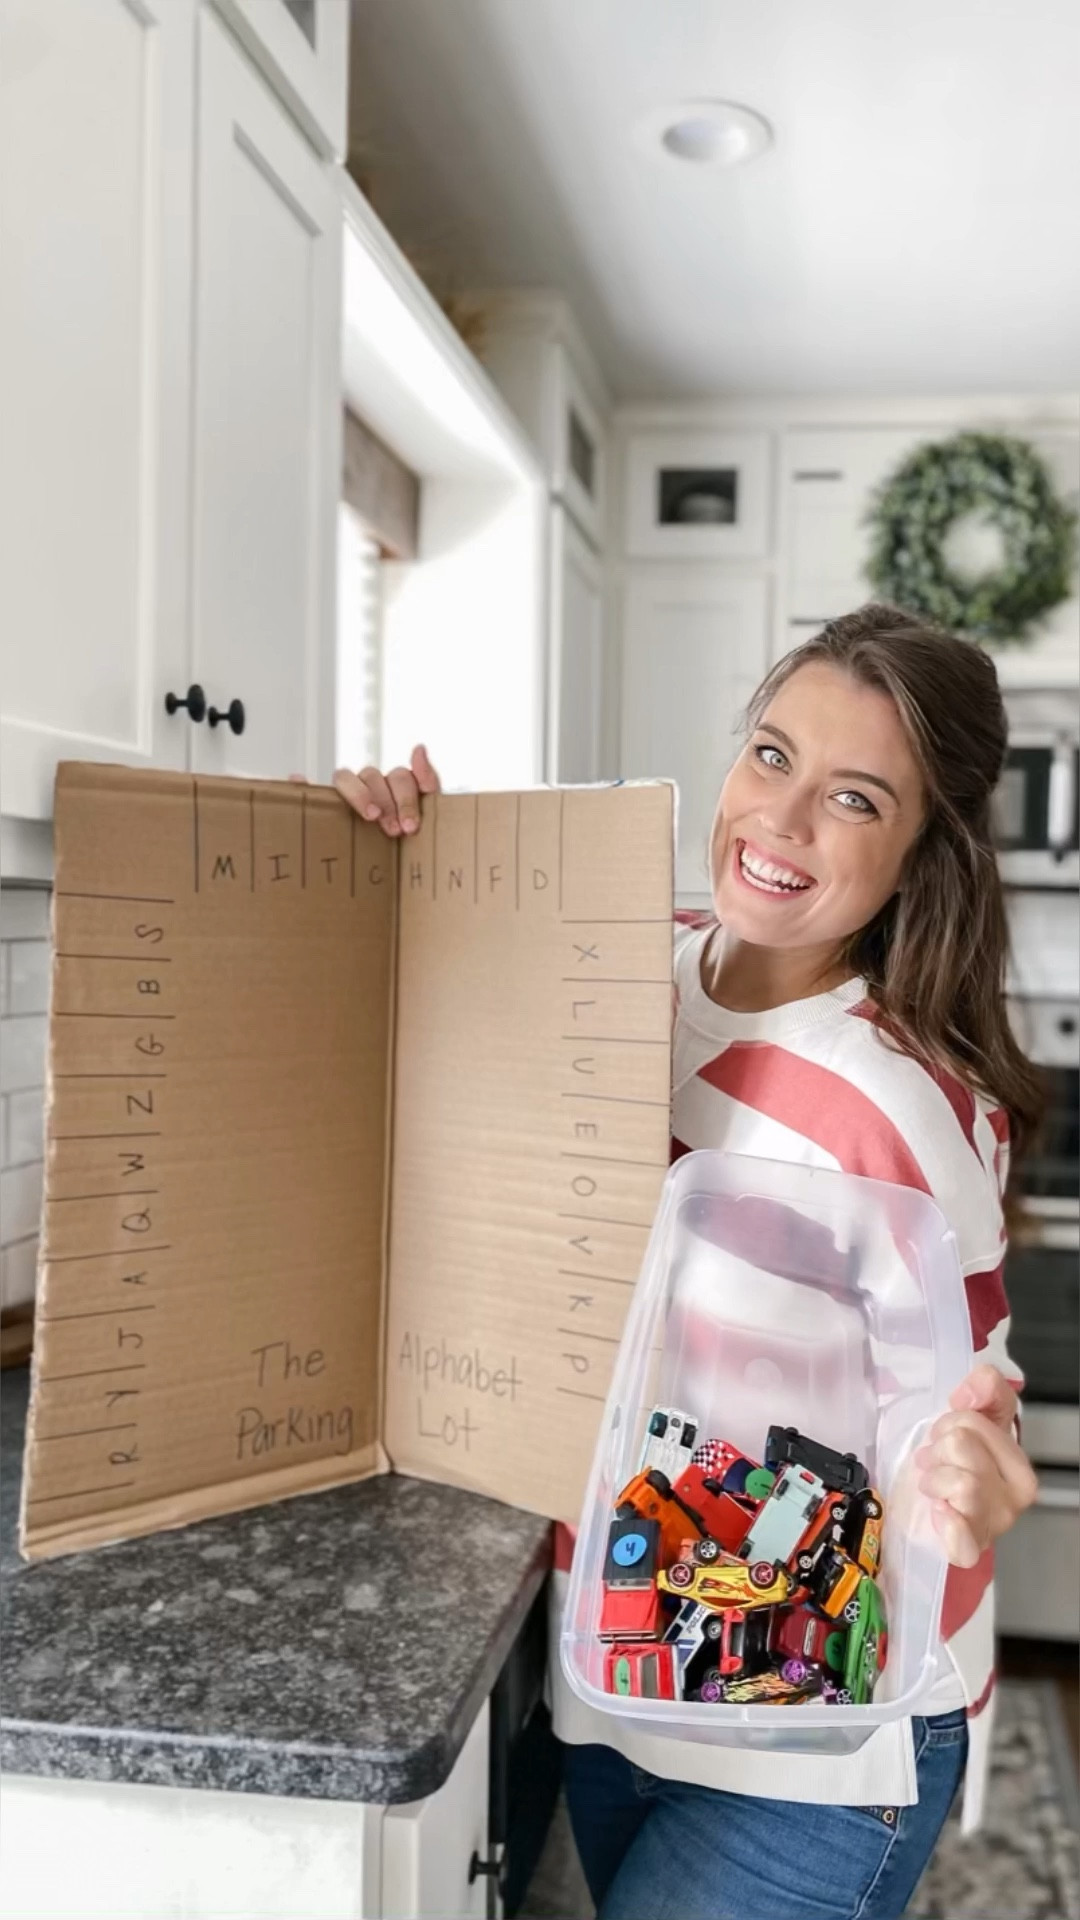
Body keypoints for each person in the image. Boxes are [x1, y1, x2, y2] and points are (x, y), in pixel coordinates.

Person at [332, 604, 1039, 1920]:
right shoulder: (613, 962)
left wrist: (974, 1473)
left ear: (921, 854)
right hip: (617, 1667)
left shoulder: (906, 1110)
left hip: (808, 1748)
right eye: (770, 757)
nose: (780, 822)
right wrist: (385, 859)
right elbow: (415, 1035)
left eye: (853, 799)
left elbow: (967, 1394)